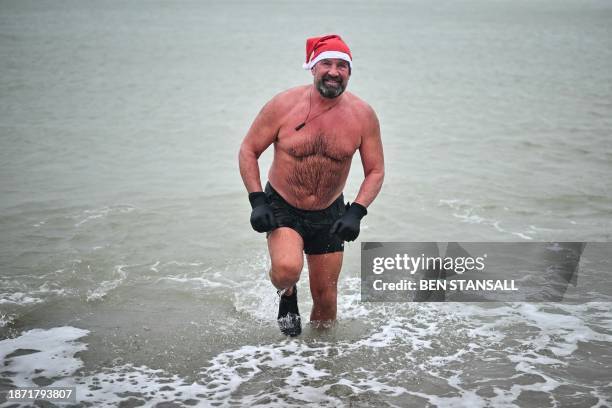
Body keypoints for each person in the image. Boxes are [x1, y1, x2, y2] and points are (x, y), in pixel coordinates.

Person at [238, 34, 384, 336]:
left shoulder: (362, 116)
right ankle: (287, 293)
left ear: (349, 72)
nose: (334, 71)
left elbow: (376, 170)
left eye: (342, 65)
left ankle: (316, 365)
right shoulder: (283, 105)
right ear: (313, 68)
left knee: (327, 302)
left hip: (329, 212)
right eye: (327, 63)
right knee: (287, 270)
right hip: (282, 205)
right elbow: (248, 151)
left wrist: (356, 211)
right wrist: (257, 201)